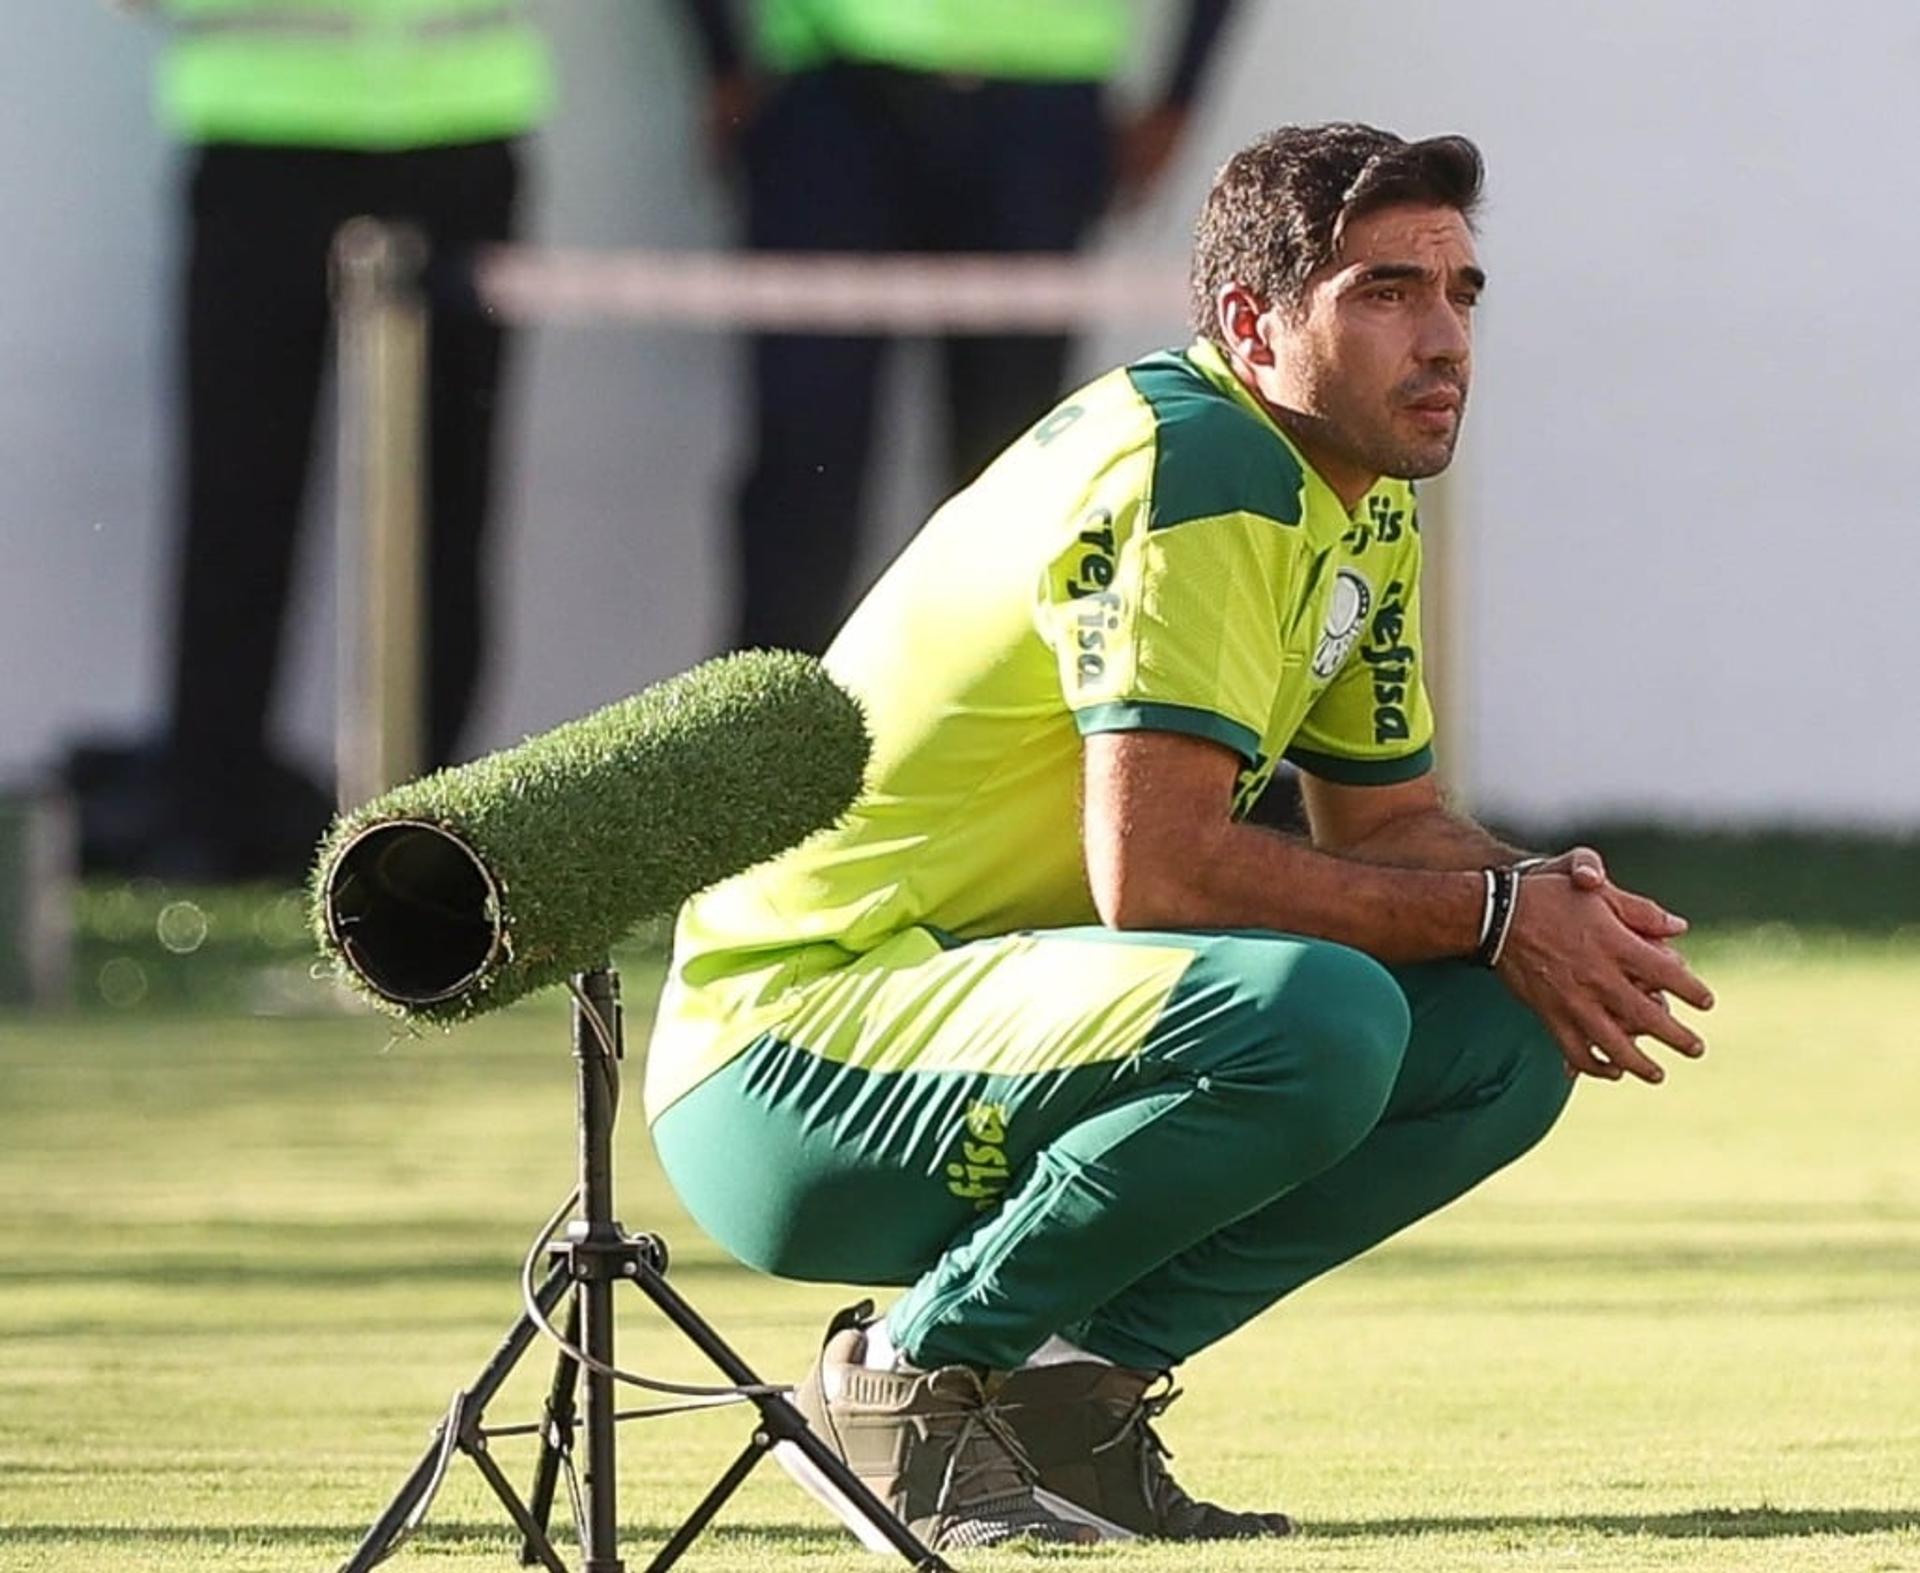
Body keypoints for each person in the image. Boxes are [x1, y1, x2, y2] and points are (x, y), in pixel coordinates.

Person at [643, 123, 1716, 1551]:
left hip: (990, 1015)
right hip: (788, 1063)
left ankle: (1063, 1399)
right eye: (1386, 292)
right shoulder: (1200, 462)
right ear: (1250, 325)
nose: (1445, 335)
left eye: (1462, 293)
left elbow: (1390, 826)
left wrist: (1540, 903)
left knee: (1497, 1045)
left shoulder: (1358, 489)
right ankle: (897, 1385)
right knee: (1319, 1013)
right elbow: (1159, 876)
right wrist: (1499, 913)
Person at [678, 0, 1236, 655]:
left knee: (1011, 479)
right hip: (835, 91)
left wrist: (1182, 95)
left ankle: (981, 751)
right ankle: (767, 748)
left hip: (1041, 98)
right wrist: (719, 55)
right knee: (805, 475)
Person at [139, 0, 551, 879]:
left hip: (462, 127)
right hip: (262, 129)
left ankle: (429, 831)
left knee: (447, 503)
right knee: (238, 496)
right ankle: (208, 819)